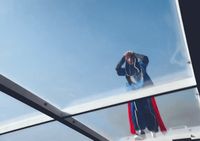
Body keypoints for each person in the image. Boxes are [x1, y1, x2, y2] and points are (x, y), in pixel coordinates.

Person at [115, 51, 166, 139]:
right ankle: (140, 131)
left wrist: (134, 54)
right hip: (134, 92)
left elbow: (145, 59)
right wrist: (124, 58)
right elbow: (117, 69)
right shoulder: (126, 71)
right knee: (136, 111)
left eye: (131, 58)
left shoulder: (141, 66)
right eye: (128, 59)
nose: (130, 60)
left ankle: (152, 129)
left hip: (144, 90)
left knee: (148, 109)